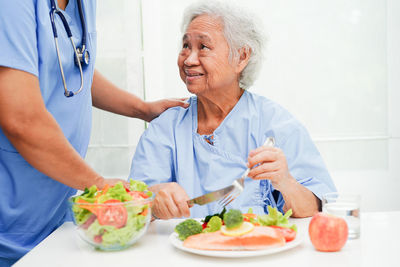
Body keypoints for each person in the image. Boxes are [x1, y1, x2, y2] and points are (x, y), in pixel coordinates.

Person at [0, 0, 188, 265]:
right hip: (8, 219)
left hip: (54, 216)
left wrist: (141, 109)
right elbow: (22, 119)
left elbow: (74, 64)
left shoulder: (83, 3)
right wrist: (99, 185)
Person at [129, 0, 336, 220]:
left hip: (259, 251)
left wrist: (286, 182)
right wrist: (152, 200)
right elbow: (130, 210)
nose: (189, 60)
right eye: (186, 46)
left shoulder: (277, 124)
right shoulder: (165, 127)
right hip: (184, 252)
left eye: (204, 47)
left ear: (242, 57)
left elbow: (316, 208)